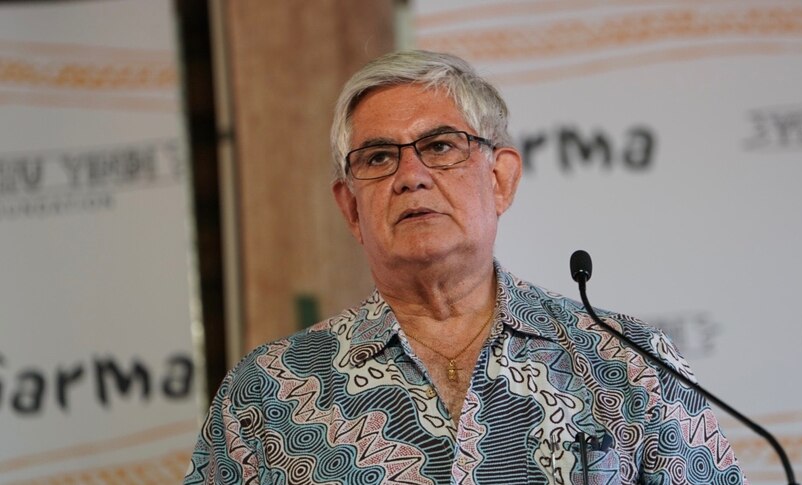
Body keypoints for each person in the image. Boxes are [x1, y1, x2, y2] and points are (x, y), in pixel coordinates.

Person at [184, 50, 746, 484]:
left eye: (441, 146)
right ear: (351, 208)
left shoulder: (628, 364)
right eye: (379, 157)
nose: (411, 175)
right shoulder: (267, 393)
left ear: (500, 179)